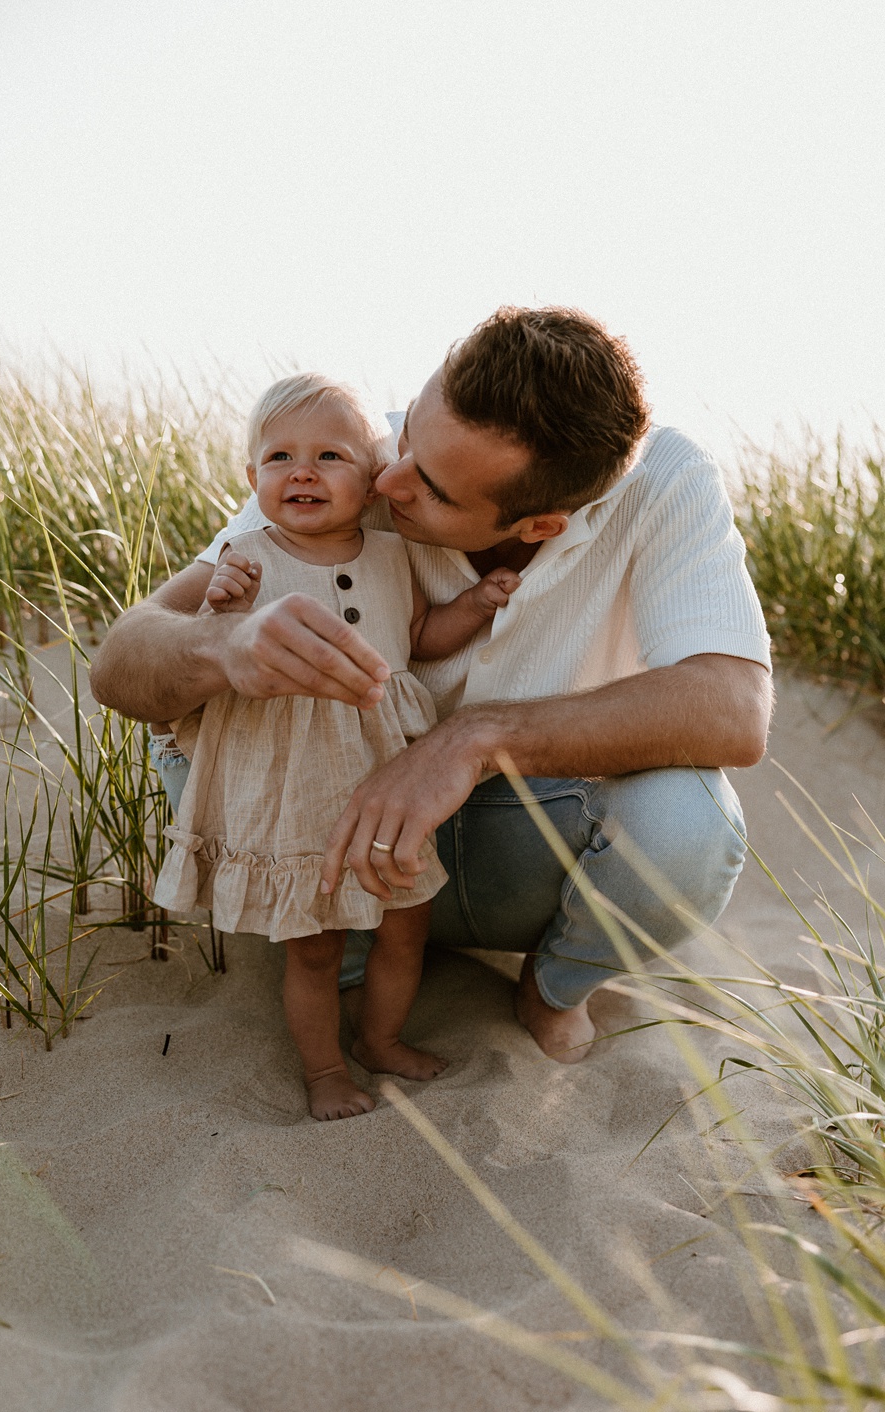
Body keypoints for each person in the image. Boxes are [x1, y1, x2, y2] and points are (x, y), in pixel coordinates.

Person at [91, 306, 772, 1068]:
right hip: (317, 826)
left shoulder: (665, 482)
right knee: (303, 915)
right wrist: (220, 644)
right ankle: (343, 957)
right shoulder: (339, 450)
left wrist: (474, 740)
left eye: (435, 489)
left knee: (694, 825)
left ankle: (551, 989)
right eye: (409, 432)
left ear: (541, 525)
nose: (389, 478)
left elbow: (734, 709)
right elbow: (121, 664)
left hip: (520, 842)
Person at [152, 373, 520, 1120]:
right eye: (280, 457)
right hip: (297, 775)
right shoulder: (245, 554)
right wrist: (222, 603)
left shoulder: (390, 554)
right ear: (251, 477)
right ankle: (325, 1071)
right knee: (314, 946)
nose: (304, 472)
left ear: (373, 482)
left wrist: (475, 607)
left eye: (330, 456)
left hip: (384, 766)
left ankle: (381, 1039)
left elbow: (416, 639)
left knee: (405, 923)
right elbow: (198, 639)